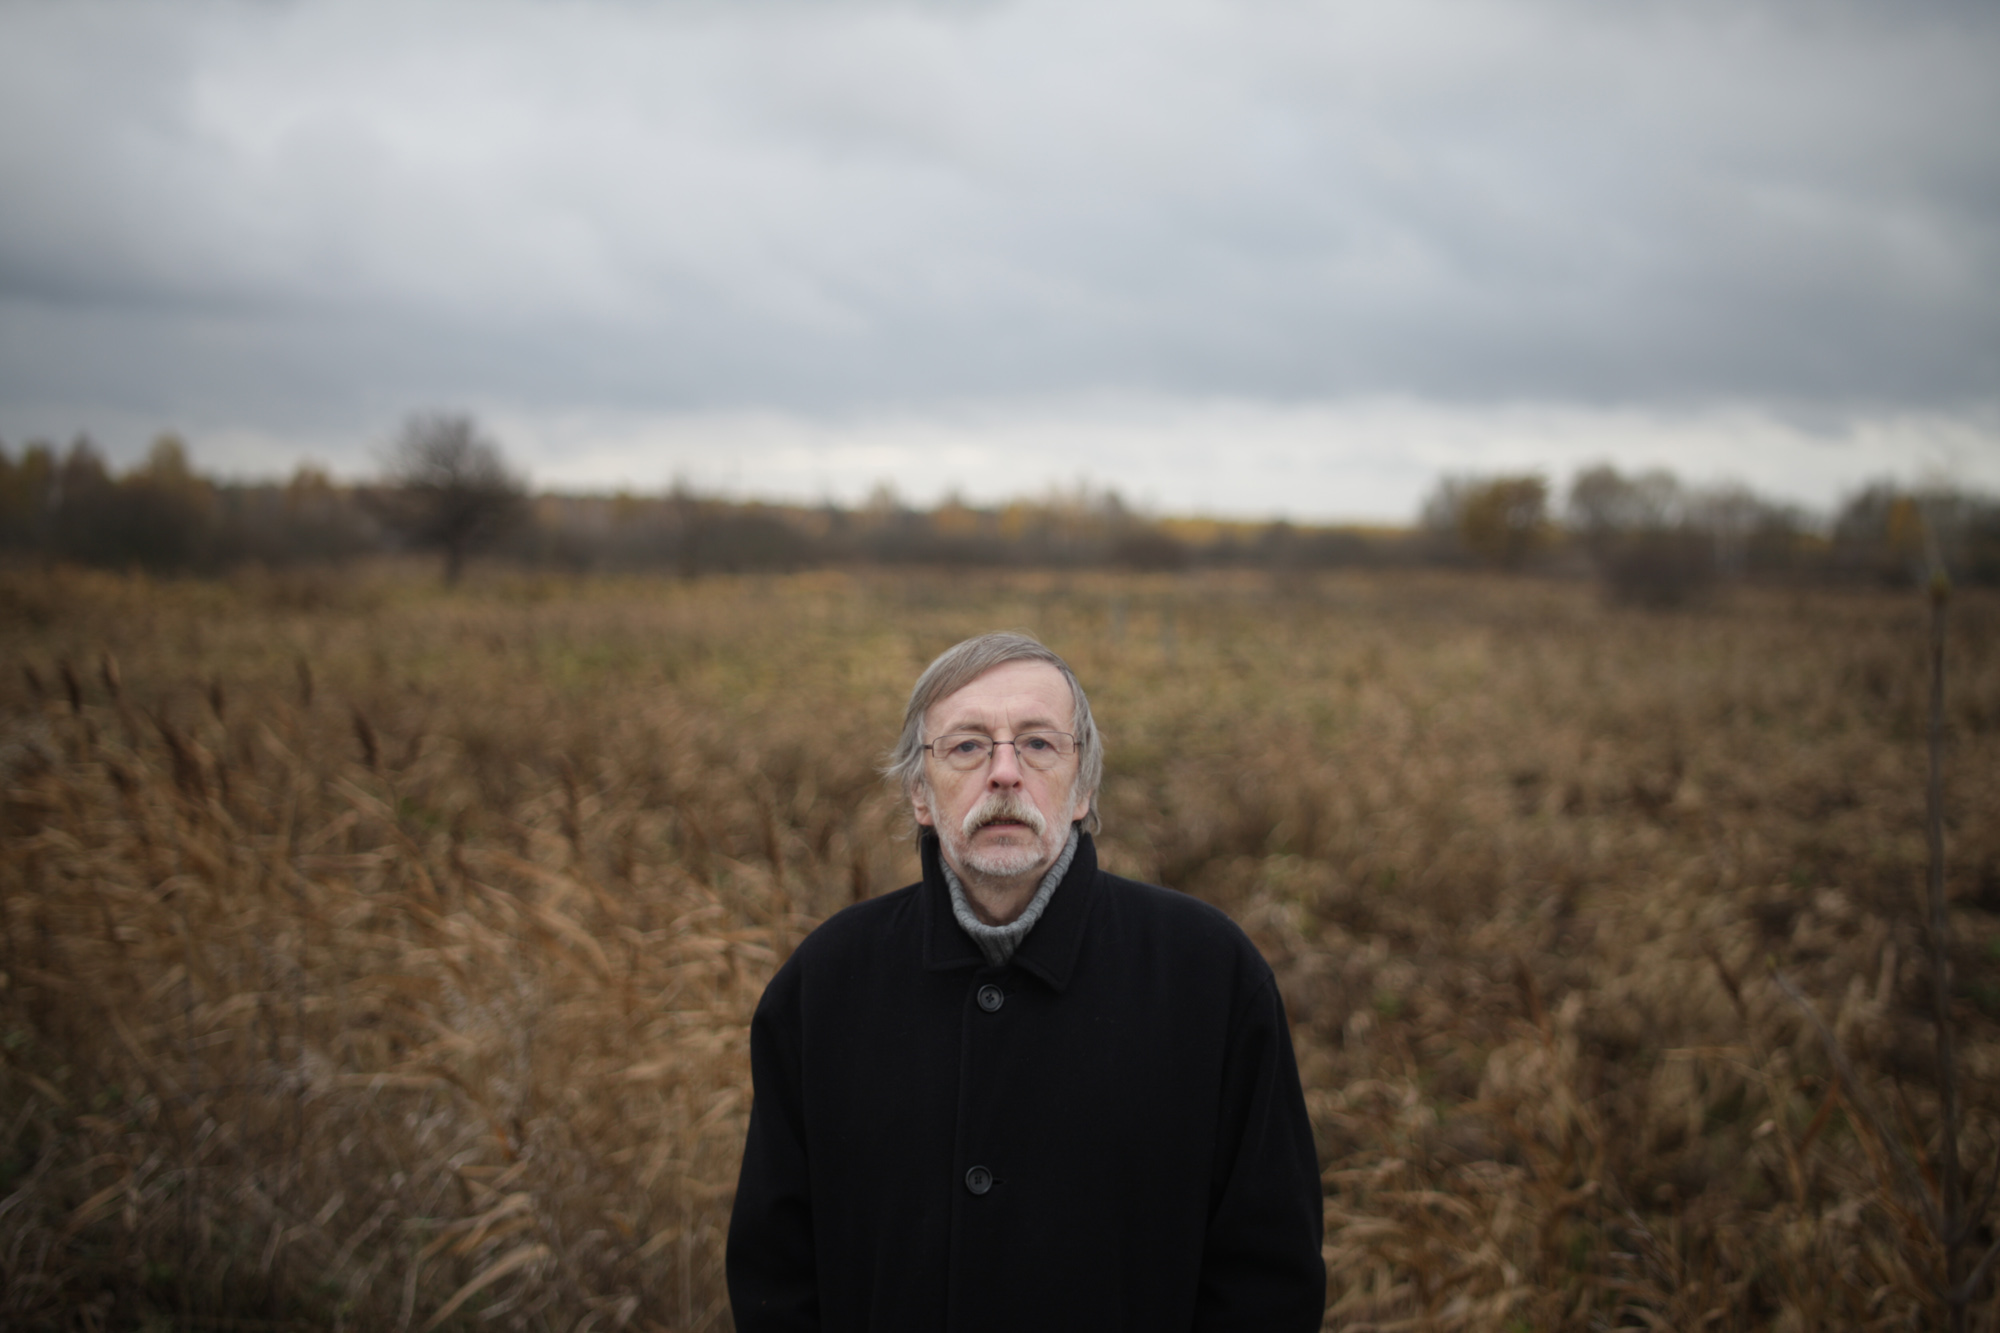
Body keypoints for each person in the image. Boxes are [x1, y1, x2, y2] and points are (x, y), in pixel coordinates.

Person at [726, 632, 1326, 1332]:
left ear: (1083, 787)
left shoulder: (1209, 975)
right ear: (920, 793)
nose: (1005, 773)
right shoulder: (825, 983)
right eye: (967, 746)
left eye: (1038, 744)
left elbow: (1268, 1277)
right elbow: (775, 1273)